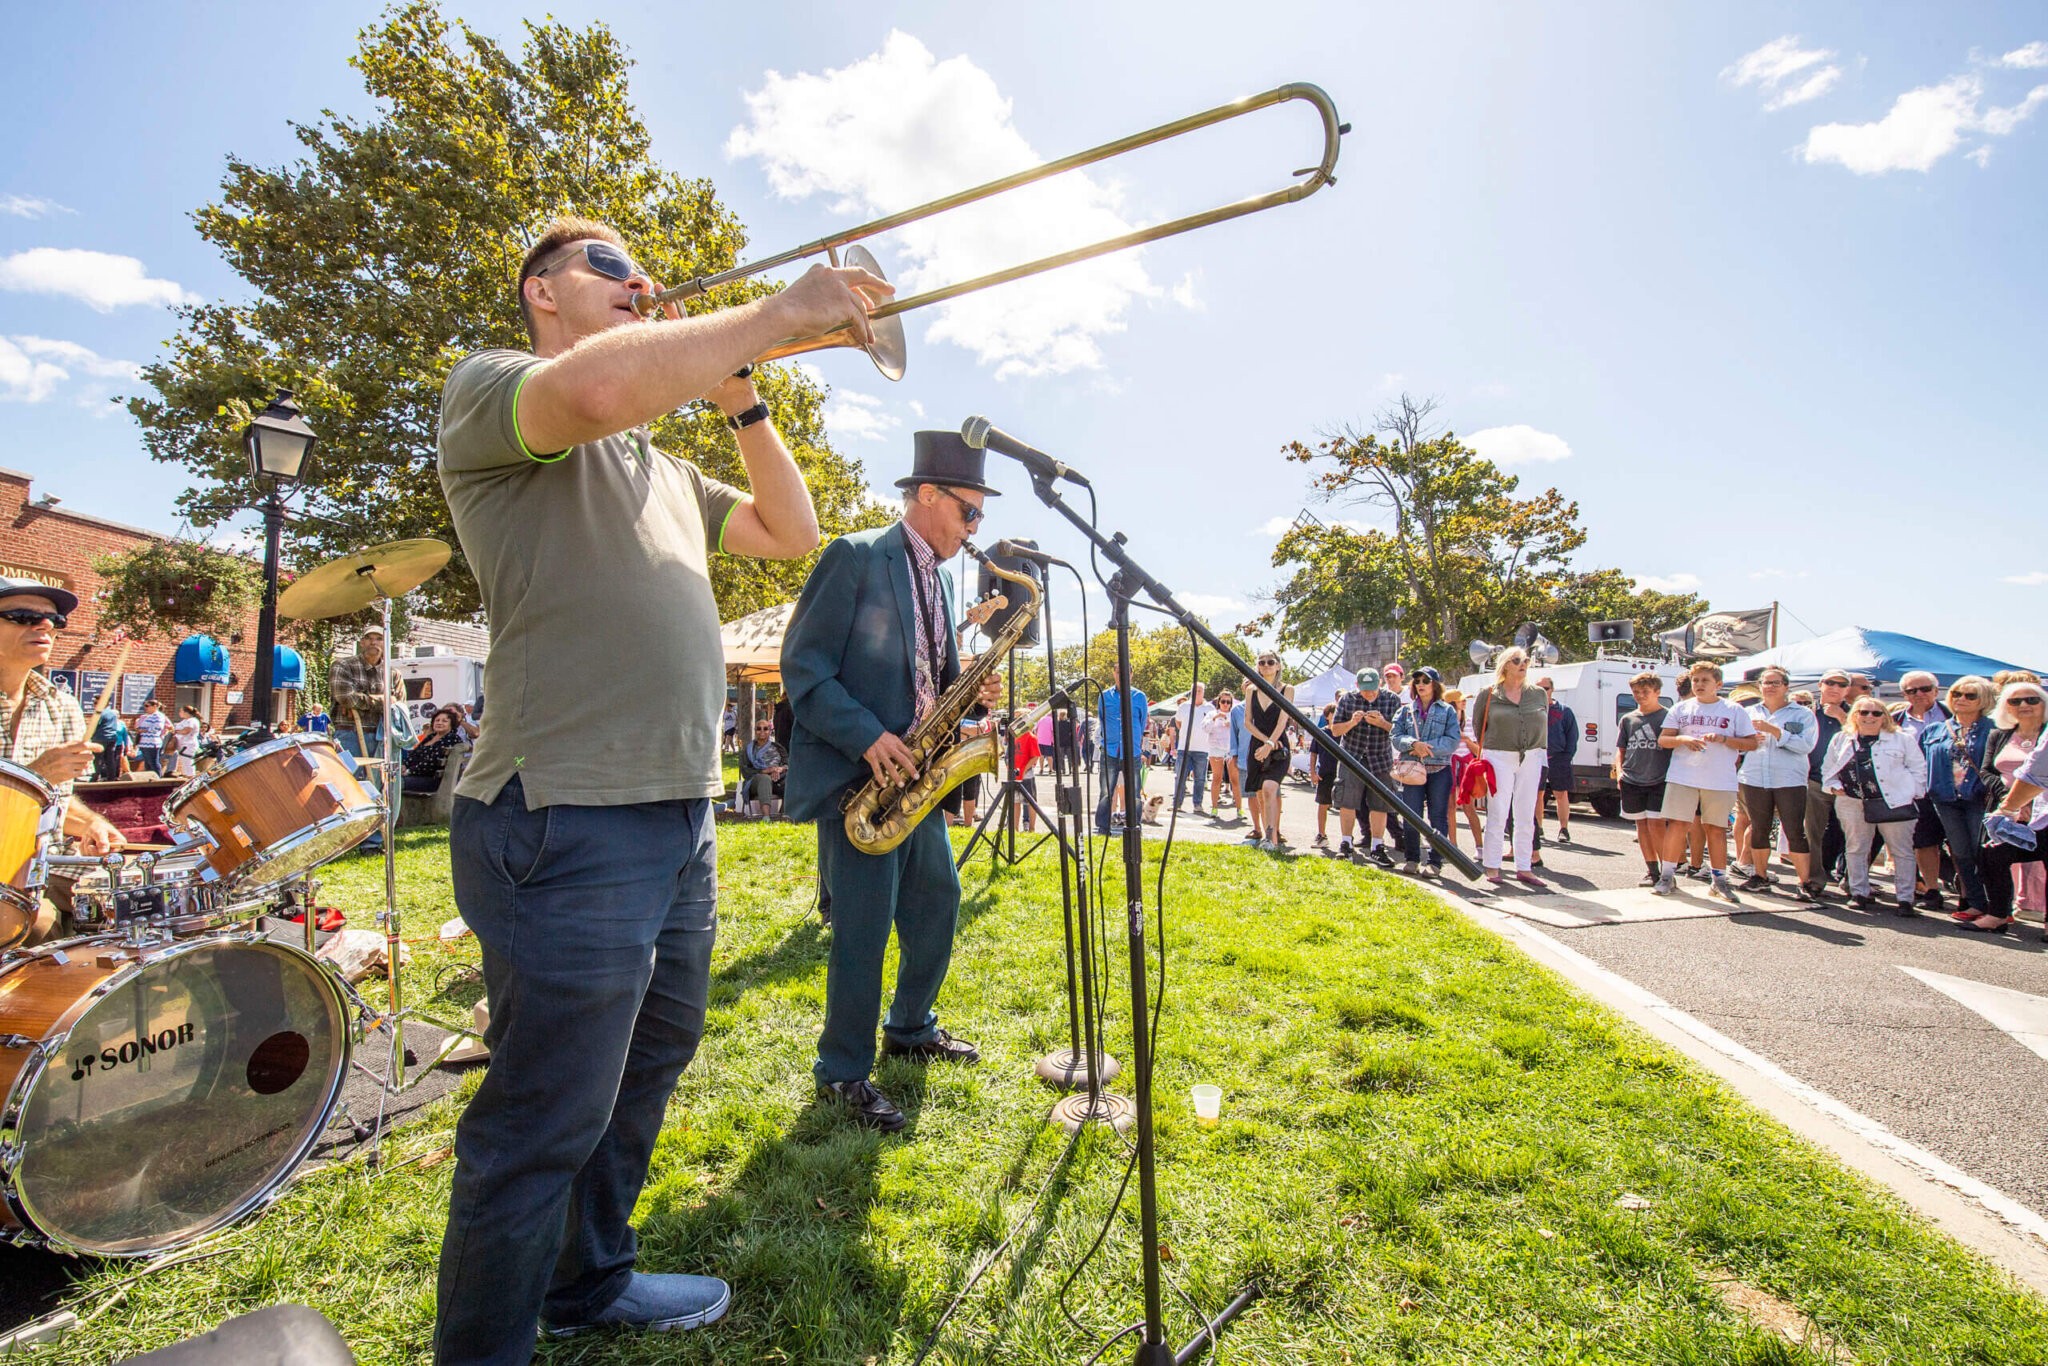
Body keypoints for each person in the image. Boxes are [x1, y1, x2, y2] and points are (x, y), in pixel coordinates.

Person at [431, 213, 876, 1362]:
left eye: (643, 271)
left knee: (648, 1060)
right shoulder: (496, 389)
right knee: (541, 1118)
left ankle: (586, 1280)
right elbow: (588, 395)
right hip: (562, 810)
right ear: (542, 291)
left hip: (677, 812)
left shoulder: (661, 463)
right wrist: (779, 310)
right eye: (612, 265)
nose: (644, 281)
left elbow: (791, 530)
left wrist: (744, 394)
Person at [782, 432, 1005, 1135]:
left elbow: (926, 682)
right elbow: (804, 669)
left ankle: (910, 1025)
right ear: (928, 496)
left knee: (939, 902)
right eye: (970, 513)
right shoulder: (853, 556)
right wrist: (866, 736)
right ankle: (842, 1070)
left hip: (917, 784)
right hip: (862, 783)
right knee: (863, 932)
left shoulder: (938, 579)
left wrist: (967, 694)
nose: (976, 530)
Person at [0, 578, 125, 868]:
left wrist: (90, 824)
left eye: (54, 620)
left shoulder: (62, 705)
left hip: (38, 870)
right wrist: (34, 777)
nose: (44, 626)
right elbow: (34, 790)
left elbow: (55, 803)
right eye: (24, 617)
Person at [1652, 662, 1758, 902]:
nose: (1699, 685)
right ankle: (1667, 876)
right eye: (1695, 680)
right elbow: (1663, 740)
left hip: (1719, 779)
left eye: (1704, 680)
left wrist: (1724, 738)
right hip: (1683, 776)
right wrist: (1682, 738)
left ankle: (1719, 881)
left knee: (1716, 829)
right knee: (1677, 825)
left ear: (1718, 684)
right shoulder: (1681, 708)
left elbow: (1751, 743)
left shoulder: (1734, 710)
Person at [1820, 696, 1928, 914]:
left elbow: (1919, 768)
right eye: (1863, 712)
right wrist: (1832, 786)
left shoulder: (1901, 739)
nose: (1869, 717)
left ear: (1884, 717)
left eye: (1876, 713)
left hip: (1894, 801)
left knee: (1902, 852)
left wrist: (1912, 793)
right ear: (1854, 716)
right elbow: (1828, 768)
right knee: (1856, 847)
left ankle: (1905, 899)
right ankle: (1859, 892)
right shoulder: (1842, 738)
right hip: (1852, 800)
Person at [1964, 679, 2048, 934]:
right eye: (2016, 700)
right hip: (2013, 811)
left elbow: (2038, 774)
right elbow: (1987, 770)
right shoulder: (2000, 735)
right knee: (1991, 855)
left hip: (2035, 809)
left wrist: (2016, 803)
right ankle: (1999, 913)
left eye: (2032, 699)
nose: (2024, 705)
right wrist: (2008, 803)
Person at [1466, 647, 1549, 886]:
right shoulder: (1489, 693)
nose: (1523, 664)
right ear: (1505, 665)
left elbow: (1543, 723)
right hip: (1498, 754)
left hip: (1531, 755)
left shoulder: (1537, 694)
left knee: (1526, 811)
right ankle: (1492, 865)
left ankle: (1525, 866)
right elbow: (1479, 724)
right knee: (1499, 809)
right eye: (1516, 660)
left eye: (1525, 660)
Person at [1736, 667, 1818, 899]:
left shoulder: (1802, 714)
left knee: (1794, 830)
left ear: (1786, 686)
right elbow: (1737, 743)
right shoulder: (1748, 711)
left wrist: (1774, 731)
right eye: (1766, 682)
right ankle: (1760, 876)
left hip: (1789, 779)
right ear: (1759, 686)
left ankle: (1805, 882)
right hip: (1755, 777)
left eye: (1775, 682)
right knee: (1759, 828)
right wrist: (1749, 740)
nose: (1770, 686)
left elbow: (1805, 746)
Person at [1922, 675, 1995, 922]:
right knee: (1961, 852)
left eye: (1970, 695)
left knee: (1982, 852)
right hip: (1944, 798)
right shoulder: (1934, 729)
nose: (1962, 699)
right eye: (1956, 694)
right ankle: (1975, 903)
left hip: (1979, 798)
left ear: (1983, 700)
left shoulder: (1994, 729)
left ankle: (1997, 906)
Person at [1390, 666, 1459, 875]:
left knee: (1438, 816)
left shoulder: (1447, 710)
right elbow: (1395, 735)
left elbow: (1453, 740)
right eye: (1417, 681)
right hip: (1413, 770)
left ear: (1435, 685)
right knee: (1412, 815)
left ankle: (1435, 861)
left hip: (1438, 769)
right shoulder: (1405, 710)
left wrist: (1426, 748)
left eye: (1425, 681)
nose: (1420, 684)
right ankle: (1412, 858)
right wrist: (1413, 744)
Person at [1331, 666, 1399, 866]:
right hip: (1352, 756)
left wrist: (1383, 723)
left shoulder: (1392, 700)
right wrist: (1352, 723)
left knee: (1380, 803)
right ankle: (1346, 843)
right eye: (1364, 688)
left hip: (1380, 758)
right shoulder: (1347, 700)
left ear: (1380, 683)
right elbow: (1335, 730)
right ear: (1356, 685)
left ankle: (1377, 846)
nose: (1369, 693)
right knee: (1347, 801)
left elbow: (1398, 732)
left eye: (1372, 688)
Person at [1611, 672, 1672, 887]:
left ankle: (1667, 873)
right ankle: (1652, 870)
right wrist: (1619, 771)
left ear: (1657, 692)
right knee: (1641, 825)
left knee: (1657, 825)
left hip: (1659, 778)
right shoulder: (1628, 719)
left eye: (1645, 692)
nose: (1640, 696)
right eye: (1636, 692)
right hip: (1632, 778)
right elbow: (1621, 749)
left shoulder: (1667, 716)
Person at [1803, 669, 1852, 891]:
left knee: (1853, 836)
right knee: (1812, 833)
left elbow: (1865, 739)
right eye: (1830, 682)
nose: (1835, 688)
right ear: (1821, 684)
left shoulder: (1859, 713)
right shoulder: (1807, 713)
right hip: (1815, 780)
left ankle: (1854, 882)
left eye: (1841, 685)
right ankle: (1814, 880)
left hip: (1848, 785)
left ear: (1847, 690)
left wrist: (1842, 718)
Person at [1243, 655, 1294, 853]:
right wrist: (1264, 743)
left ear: (1279, 665)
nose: (1266, 665)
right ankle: (1267, 836)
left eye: (1270, 662)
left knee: (1270, 787)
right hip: (1258, 745)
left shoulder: (1287, 689)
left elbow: (1283, 720)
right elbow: (1248, 721)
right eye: (1262, 662)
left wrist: (1271, 743)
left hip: (1279, 745)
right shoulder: (1251, 690)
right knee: (1260, 793)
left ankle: (1272, 837)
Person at [1095, 676, 1149, 836]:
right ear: (1113, 673)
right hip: (1110, 749)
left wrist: (1139, 745)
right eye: (1117, 670)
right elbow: (1101, 717)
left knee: (1134, 791)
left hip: (1131, 750)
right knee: (1106, 791)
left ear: (1131, 673)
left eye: (1123, 671)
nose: (1120, 674)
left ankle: (1135, 825)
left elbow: (1142, 720)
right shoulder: (1104, 696)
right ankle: (1103, 827)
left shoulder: (1139, 696)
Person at [1539, 676, 1578, 844]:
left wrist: (1566, 756)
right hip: (1537, 756)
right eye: (1538, 689)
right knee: (1537, 794)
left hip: (1558, 757)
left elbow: (1573, 736)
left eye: (1545, 689)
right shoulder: (1532, 709)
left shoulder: (1564, 710)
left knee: (1561, 794)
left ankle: (1564, 829)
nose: (1542, 692)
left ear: (1552, 689)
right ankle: (1538, 827)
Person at [402, 706, 468, 795]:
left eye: (444, 721)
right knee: (387, 780)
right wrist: (404, 765)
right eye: (437, 720)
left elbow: (431, 763)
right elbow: (413, 755)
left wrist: (409, 771)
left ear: (451, 724)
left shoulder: (452, 739)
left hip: (432, 780)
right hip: (415, 776)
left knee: (394, 783)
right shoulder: (430, 737)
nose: (439, 723)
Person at [1173, 683, 1214, 815]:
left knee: (1200, 778)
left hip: (1202, 749)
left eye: (1200, 690)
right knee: (1180, 777)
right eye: (1195, 690)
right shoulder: (1183, 706)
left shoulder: (1210, 708)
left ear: (1204, 692)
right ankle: (1177, 804)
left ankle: (1198, 804)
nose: (1197, 692)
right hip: (1184, 748)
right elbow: (1178, 722)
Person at [740, 717, 787, 819]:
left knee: (791, 779)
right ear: (755, 731)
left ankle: (785, 814)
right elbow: (745, 771)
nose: (762, 731)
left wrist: (779, 769)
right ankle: (766, 817)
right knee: (764, 778)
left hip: (777, 778)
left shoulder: (778, 747)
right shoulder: (749, 750)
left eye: (765, 729)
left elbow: (788, 764)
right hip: (756, 781)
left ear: (770, 731)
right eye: (759, 728)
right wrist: (765, 771)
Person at [1203, 691, 1238, 813]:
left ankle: (1239, 809)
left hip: (1230, 749)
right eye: (1223, 701)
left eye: (1228, 702)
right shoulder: (1212, 713)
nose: (1225, 704)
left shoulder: (1234, 715)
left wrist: (1231, 725)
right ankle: (1214, 807)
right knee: (1217, 778)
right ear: (1219, 702)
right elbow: (1205, 728)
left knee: (1235, 779)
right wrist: (1215, 718)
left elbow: (1241, 730)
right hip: (1216, 748)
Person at [1310, 702, 1339, 847]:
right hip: (1324, 774)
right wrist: (1313, 772)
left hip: (1341, 774)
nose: (1337, 716)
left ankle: (1347, 838)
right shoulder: (1321, 733)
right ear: (1327, 716)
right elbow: (1313, 754)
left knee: (1347, 807)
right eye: (1334, 714)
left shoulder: (1344, 733)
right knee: (1323, 804)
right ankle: (1321, 834)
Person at [88, 703, 127, 783]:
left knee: (98, 758)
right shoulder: (113, 714)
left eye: (95, 703)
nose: (94, 705)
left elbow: (94, 726)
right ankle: (111, 777)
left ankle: (95, 777)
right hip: (112, 738)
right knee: (110, 759)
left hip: (101, 738)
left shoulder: (100, 713)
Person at [132, 696, 168, 775]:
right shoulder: (148, 716)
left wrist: (144, 730)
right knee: (147, 763)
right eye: (145, 706)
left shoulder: (158, 716)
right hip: (144, 742)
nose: (146, 708)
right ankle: (149, 778)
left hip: (152, 743)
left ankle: (158, 778)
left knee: (153, 762)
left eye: (147, 706)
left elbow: (158, 727)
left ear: (155, 706)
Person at [170, 704, 202, 778]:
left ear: (186, 712)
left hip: (188, 744)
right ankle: (185, 775)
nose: (179, 713)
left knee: (188, 761)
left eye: (181, 711)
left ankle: (190, 776)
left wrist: (176, 732)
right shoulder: (184, 721)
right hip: (182, 744)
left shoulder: (192, 720)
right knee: (184, 762)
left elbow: (186, 731)